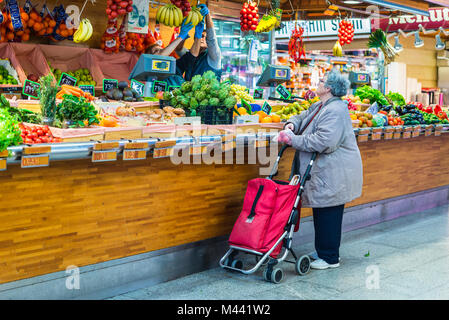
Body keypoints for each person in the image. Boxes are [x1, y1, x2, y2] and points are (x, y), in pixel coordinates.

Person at [278, 69, 363, 270]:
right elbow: (303, 116)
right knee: (323, 211)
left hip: (333, 172)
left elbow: (325, 141)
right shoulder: (321, 105)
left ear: (329, 88)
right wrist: (292, 124)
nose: (318, 83)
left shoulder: (335, 110)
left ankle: (330, 257)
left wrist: (293, 140)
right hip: (326, 172)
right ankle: (324, 251)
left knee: (329, 213)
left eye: (322, 81)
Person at [178, 4, 222, 81]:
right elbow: (178, 50)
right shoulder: (190, 54)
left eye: (206, 37)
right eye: (201, 36)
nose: (203, 39)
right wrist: (183, 37)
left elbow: (212, 40)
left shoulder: (214, 57)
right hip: (188, 92)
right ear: (196, 38)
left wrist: (207, 15)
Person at [146, 21, 194, 87]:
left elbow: (191, 56)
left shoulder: (174, 66)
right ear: (149, 58)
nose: (161, 51)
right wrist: (180, 37)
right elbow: (160, 57)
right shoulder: (150, 69)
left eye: (161, 49)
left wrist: (198, 37)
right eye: (156, 51)